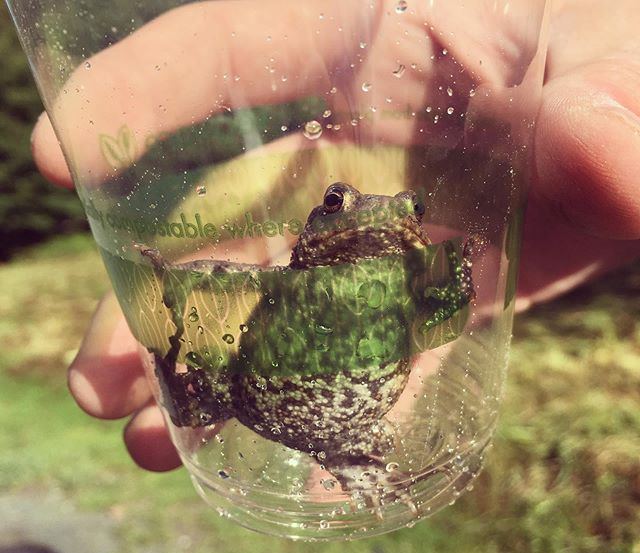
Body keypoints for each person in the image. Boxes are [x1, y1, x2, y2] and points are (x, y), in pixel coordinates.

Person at [29, 0, 640, 472]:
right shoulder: (292, 280)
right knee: (191, 380)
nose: (369, 217)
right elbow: (225, 284)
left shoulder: (413, 280)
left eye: (412, 209)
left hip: (361, 429)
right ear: (315, 223)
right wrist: (170, 288)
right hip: (251, 397)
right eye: (337, 204)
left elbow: (452, 293)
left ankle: (352, 464)